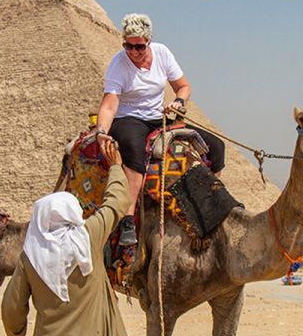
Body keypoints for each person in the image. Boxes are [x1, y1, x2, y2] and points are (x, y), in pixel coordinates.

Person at [1, 142, 136, 336]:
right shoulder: (89, 235)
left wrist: (17, 333)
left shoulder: (30, 259)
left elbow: (11, 311)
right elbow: (118, 201)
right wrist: (116, 166)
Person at [94, 13, 226, 245]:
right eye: (128, 45)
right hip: (129, 118)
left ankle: (209, 203)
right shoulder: (119, 64)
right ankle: (127, 221)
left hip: (160, 117)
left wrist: (178, 102)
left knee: (216, 147)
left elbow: (183, 87)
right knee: (134, 154)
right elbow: (109, 104)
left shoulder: (162, 53)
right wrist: (102, 131)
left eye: (139, 46)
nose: (133, 52)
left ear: (149, 40)